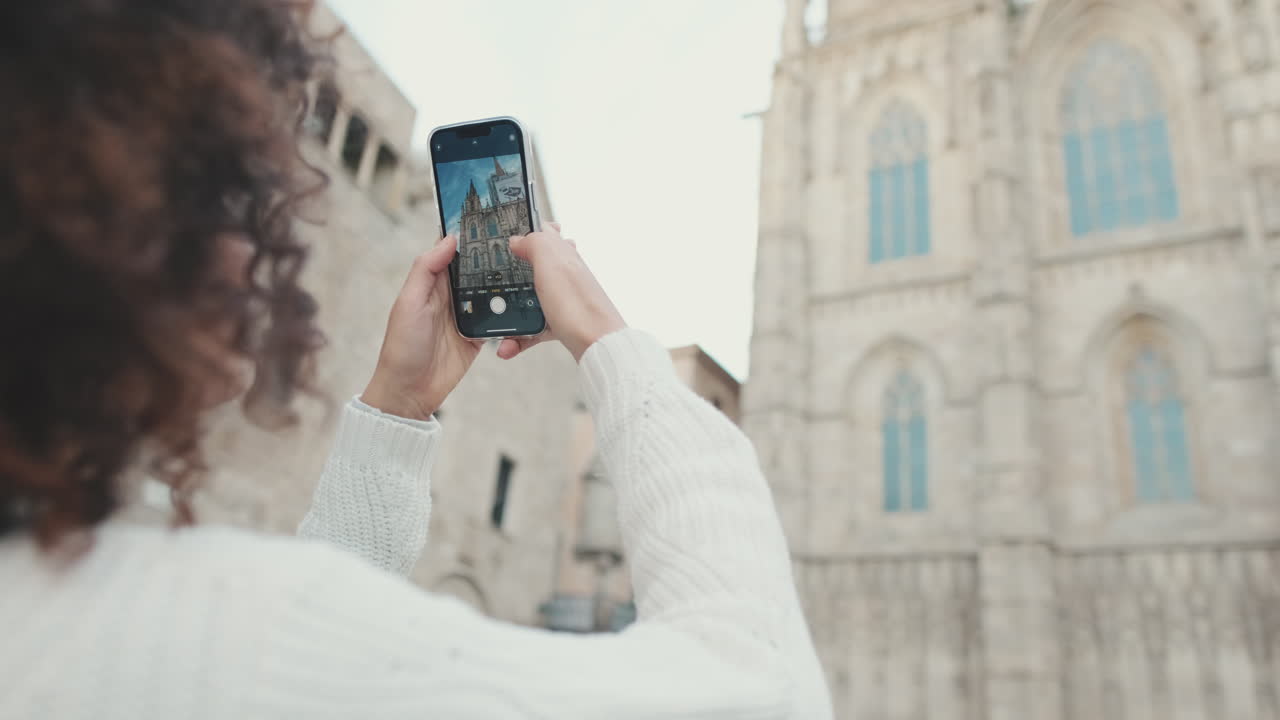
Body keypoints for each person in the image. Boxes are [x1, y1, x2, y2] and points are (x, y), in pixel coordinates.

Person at [0, 1, 832, 718]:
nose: (261, 241)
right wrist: (613, 348)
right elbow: (764, 690)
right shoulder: (219, 630)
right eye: (237, 189)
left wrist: (396, 411)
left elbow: (315, 648)